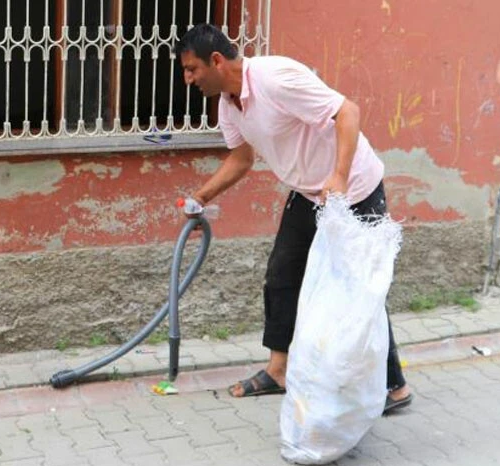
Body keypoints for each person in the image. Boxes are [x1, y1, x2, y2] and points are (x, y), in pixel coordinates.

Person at [174, 23, 412, 413]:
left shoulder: (275, 78)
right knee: (282, 275)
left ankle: (393, 386)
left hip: (354, 189)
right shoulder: (229, 103)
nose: (188, 80)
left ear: (215, 60)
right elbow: (241, 158)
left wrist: (338, 176)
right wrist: (202, 196)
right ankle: (278, 370)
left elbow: (346, 112)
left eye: (192, 69)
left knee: (359, 290)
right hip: (308, 193)